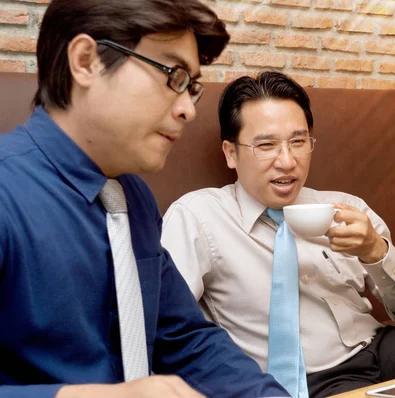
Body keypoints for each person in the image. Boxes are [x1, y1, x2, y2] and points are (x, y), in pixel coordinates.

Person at [161, 71, 395, 397]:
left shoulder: (343, 207)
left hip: (378, 349)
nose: (287, 161)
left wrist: (376, 251)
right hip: (306, 380)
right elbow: (166, 323)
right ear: (231, 153)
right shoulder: (199, 216)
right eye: (266, 145)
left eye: (298, 141)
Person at [0, 1, 290, 398]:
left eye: (192, 87)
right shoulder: (6, 194)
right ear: (86, 61)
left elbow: (185, 339)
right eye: (174, 75)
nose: (188, 108)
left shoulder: (130, 198)